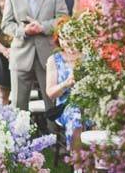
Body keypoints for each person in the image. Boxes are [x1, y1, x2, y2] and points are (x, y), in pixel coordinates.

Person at [3, 0, 69, 111]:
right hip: (20, 55)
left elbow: (63, 18)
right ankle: (19, 136)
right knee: (19, 107)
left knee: (52, 105)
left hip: (48, 55)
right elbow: (6, 24)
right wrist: (23, 30)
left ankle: (55, 135)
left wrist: (43, 27)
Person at [46, 17, 92, 151]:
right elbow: (51, 94)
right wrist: (66, 84)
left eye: (70, 37)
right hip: (67, 105)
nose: (66, 42)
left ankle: (100, 163)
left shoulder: (88, 57)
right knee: (76, 117)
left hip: (90, 103)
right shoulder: (54, 60)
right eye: (62, 38)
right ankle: (78, 165)